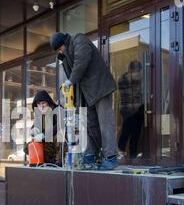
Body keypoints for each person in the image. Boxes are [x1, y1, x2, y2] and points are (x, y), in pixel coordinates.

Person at [50, 32, 118, 170]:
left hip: (100, 87)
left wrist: (70, 81)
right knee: (90, 125)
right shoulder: (65, 56)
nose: (60, 51)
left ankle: (111, 157)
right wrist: (73, 100)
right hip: (87, 93)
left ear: (63, 42)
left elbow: (81, 62)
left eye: (59, 49)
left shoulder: (79, 39)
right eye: (58, 51)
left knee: (105, 123)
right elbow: (73, 79)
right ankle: (90, 155)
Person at [25, 90, 64, 167]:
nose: (41, 106)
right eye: (39, 104)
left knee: (60, 136)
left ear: (48, 102)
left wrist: (44, 135)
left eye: (43, 103)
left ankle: (59, 163)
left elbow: (60, 125)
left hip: (57, 141)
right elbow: (34, 127)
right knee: (27, 146)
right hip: (46, 142)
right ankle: (40, 162)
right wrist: (33, 131)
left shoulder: (58, 109)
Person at [117, 60, 144, 158]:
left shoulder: (140, 80)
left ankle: (133, 154)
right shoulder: (123, 80)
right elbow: (128, 97)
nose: (138, 75)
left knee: (136, 133)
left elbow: (140, 95)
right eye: (136, 72)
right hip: (127, 109)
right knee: (126, 131)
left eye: (139, 72)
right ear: (130, 72)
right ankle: (121, 151)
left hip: (138, 108)